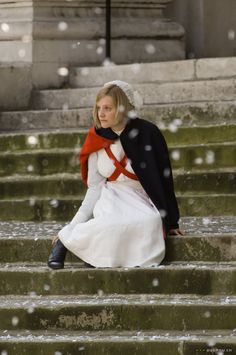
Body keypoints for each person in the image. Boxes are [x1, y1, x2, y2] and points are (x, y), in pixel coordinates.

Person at [48, 80, 184, 270]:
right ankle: (64, 240)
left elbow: (164, 179)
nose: (101, 114)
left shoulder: (148, 133)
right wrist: (74, 223)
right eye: (98, 108)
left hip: (143, 196)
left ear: (122, 109)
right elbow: (94, 188)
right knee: (109, 223)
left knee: (149, 222)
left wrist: (172, 221)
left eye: (107, 108)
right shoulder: (96, 137)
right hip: (112, 195)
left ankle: (99, 255)